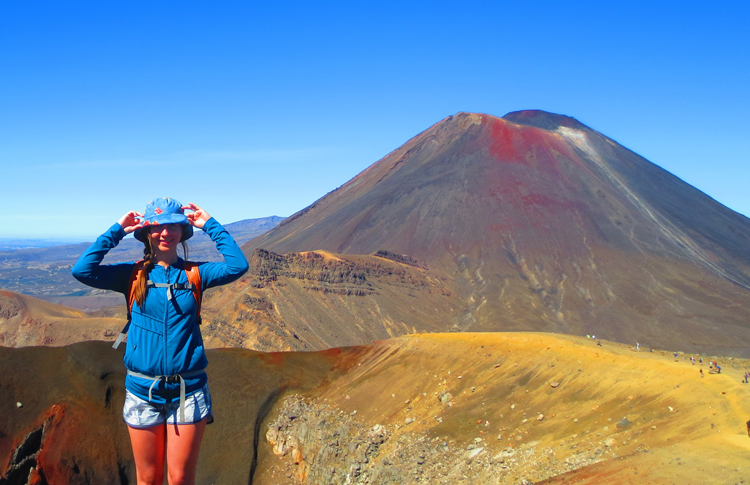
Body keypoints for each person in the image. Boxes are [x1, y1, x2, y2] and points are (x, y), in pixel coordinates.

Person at [72, 198, 248, 485]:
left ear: (182, 232)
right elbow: (82, 270)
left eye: (173, 227)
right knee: (148, 479)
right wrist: (117, 230)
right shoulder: (131, 275)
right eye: (158, 228)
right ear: (146, 233)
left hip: (187, 391)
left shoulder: (196, 274)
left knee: (179, 479)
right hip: (143, 391)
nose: (166, 233)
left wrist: (211, 226)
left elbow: (238, 266)